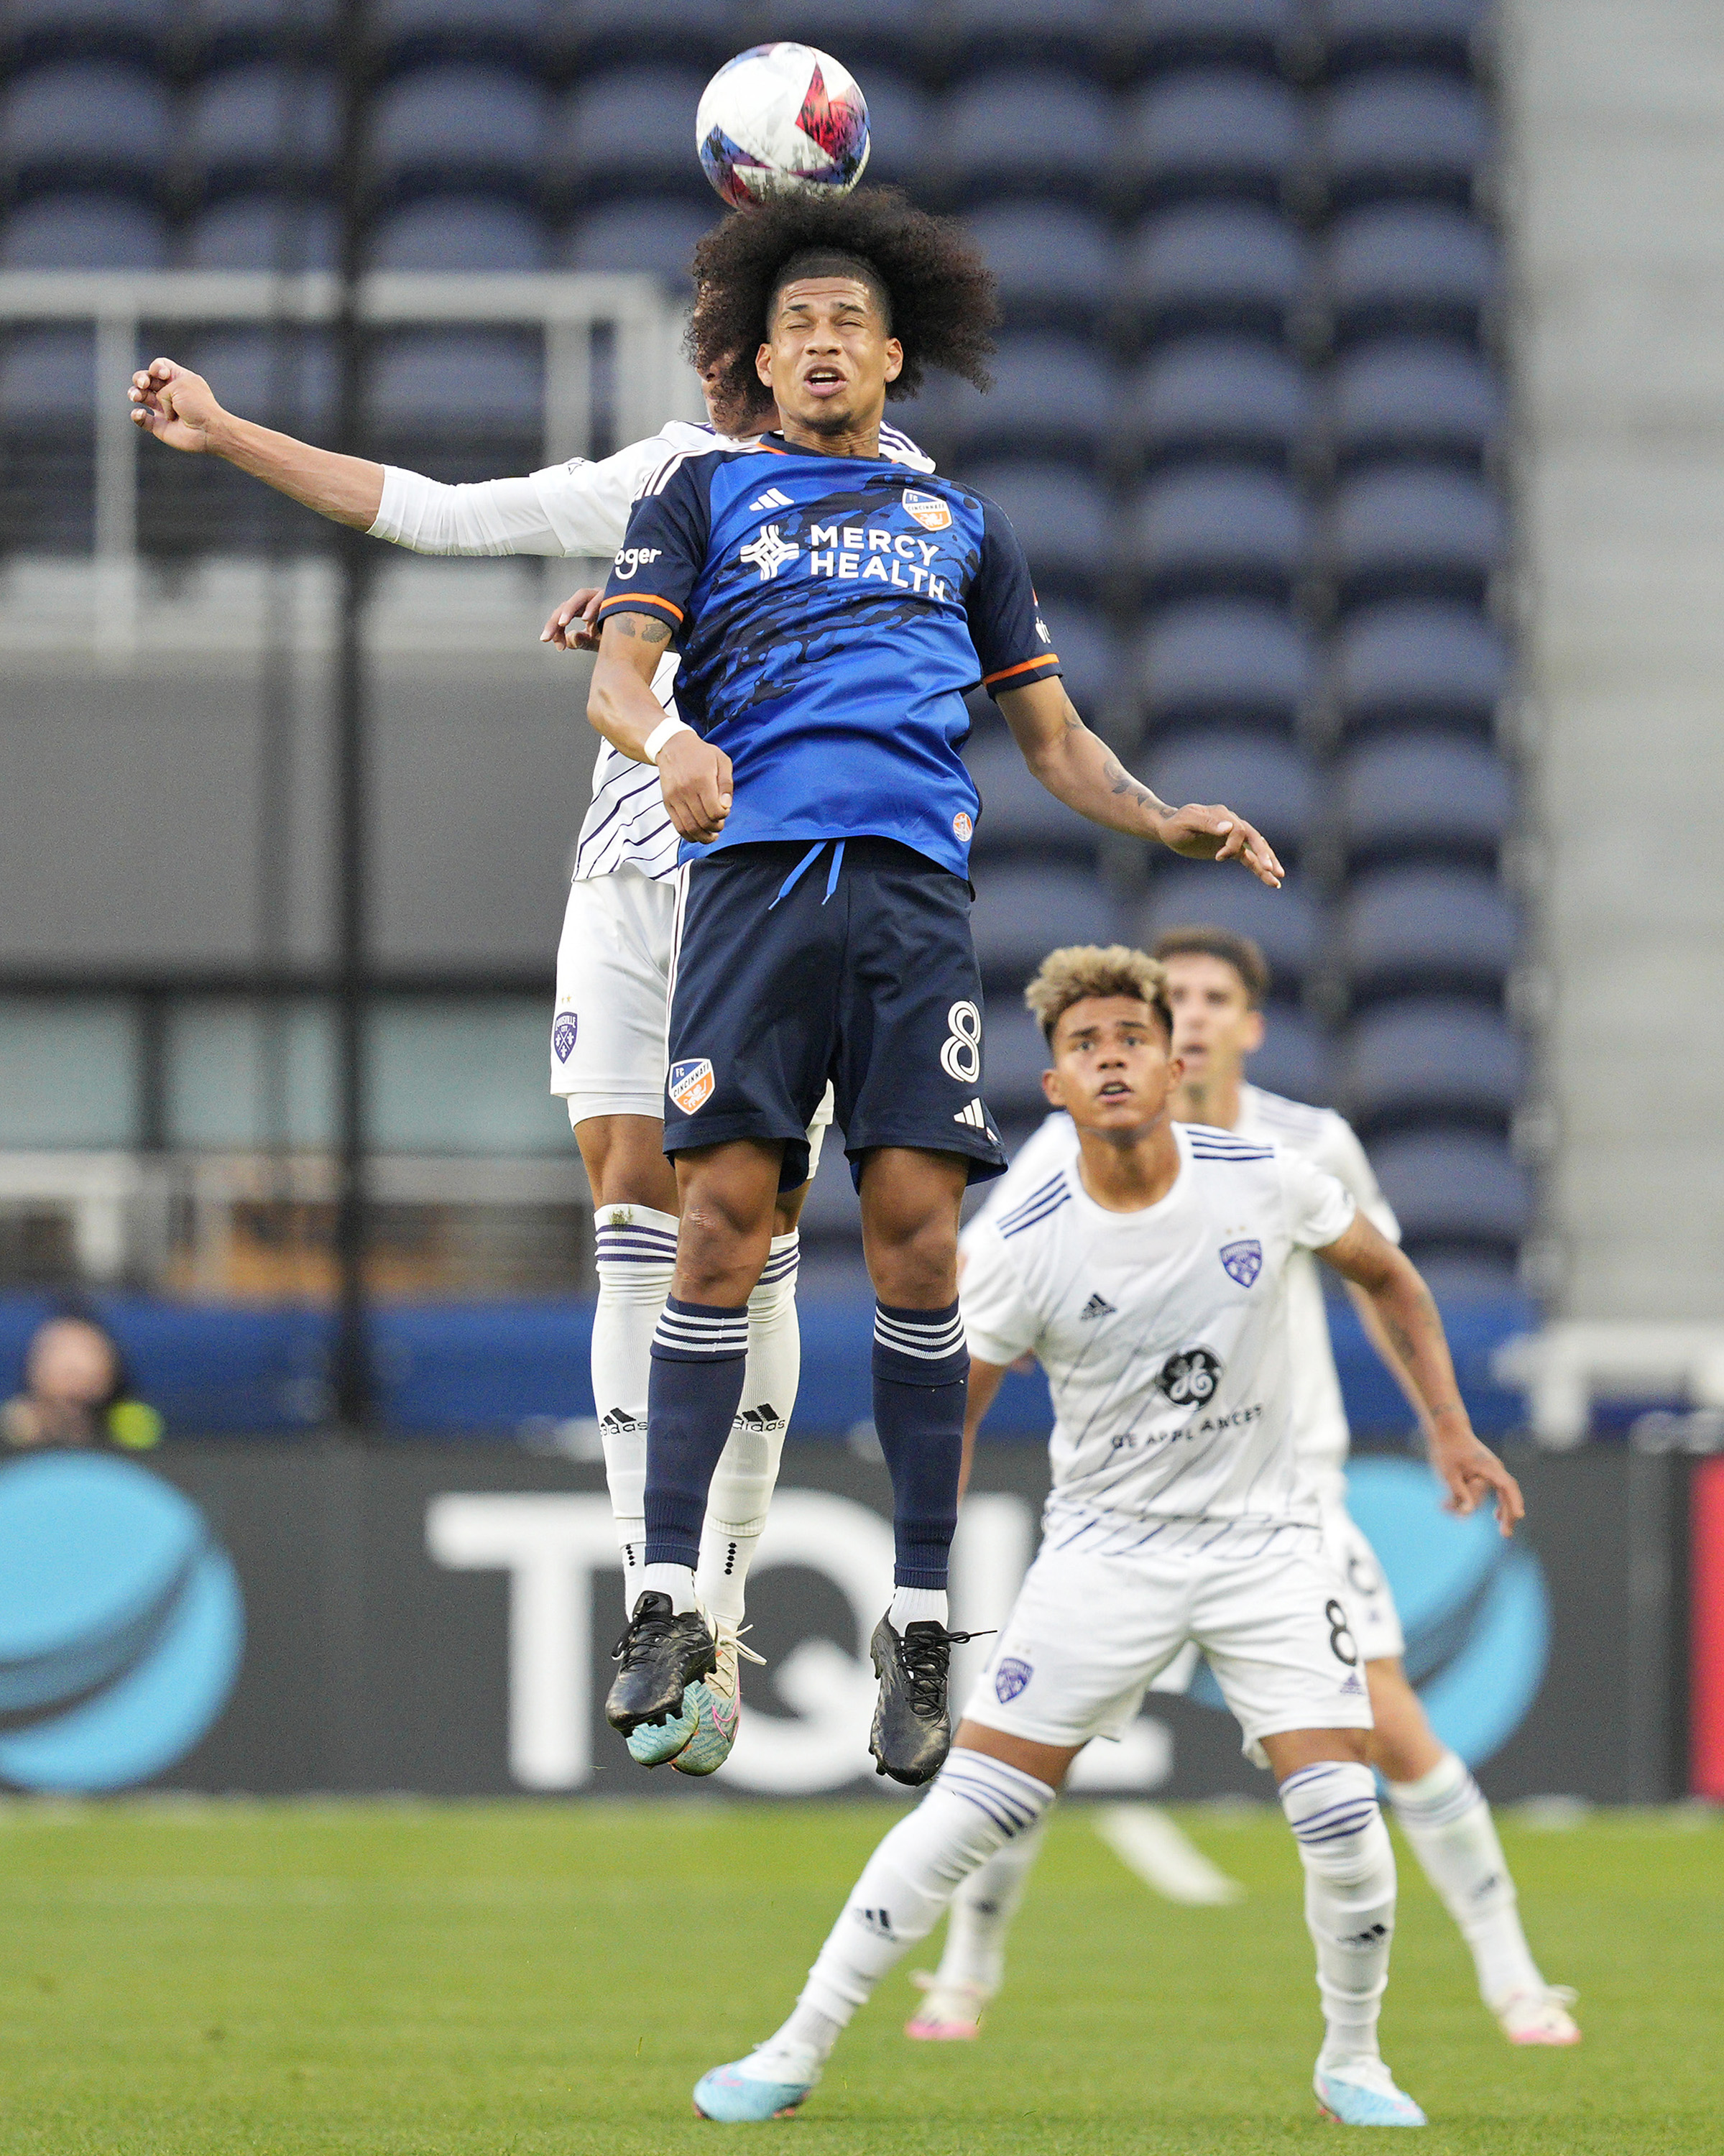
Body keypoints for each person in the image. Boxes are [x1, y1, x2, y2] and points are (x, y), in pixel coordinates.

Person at [124, 337, 930, 1778]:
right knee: (628, 1194)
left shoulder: (905, 498)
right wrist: (232, 430)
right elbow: (440, 511)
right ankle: (656, 1593)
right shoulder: (664, 476)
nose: (725, 357)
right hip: (621, 877)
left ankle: (718, 1594)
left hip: (769, 876)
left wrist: (675, 630)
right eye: (717, 335)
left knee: (736, 1229)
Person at [586, 187, 1283, 1786]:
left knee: (915, 1254)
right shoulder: (701, 493)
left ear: (892, 359)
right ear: (757, 361)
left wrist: (1155, 813)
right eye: (794, 327)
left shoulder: (962, 528)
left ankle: (916, 1619)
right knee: (713, 1229)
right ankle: (666, 1598)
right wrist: (672, 742)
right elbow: (620, 679)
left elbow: (1052, 743)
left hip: (908, 907)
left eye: (847, 326)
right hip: (753, 894)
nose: (820, 346)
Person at [689, 945, 1524, 2129]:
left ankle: (1355, 2059)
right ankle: (795, 2043)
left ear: (1173, 1062)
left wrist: (1446, 1428)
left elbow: (1385, 1277)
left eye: (1129, 1039)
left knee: (1338, 1813)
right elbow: (949, 1412)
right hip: (1104, 1557)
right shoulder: (1025, 1240)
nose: (1111, 1060)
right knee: (968, 1812)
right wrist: (920, 1582)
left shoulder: (1265, 1179)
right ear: (1057, 1087)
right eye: (1083, 1048)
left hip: (1267, 1546)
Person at [908, 926, 1579, 2049]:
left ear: (1244, 1026)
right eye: (1177, 997)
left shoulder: (1304, 1144)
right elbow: (985, 1287)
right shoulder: (1060, 1155)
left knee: (1391, 1733)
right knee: (1025, 1748)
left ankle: (1511, 1976)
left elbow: (1380, 1284)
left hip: (1286, 1498)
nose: (1197, 1013)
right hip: (1123, 1512)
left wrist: (1440, 1426)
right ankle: (963, 1971)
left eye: (1215, 997)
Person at [2, 1308, 162, 1452]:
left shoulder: (133, 1428)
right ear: (32, 1368)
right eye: (59, 1351)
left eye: (87, 1351)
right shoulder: (12, 1431)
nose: (73, 1367)